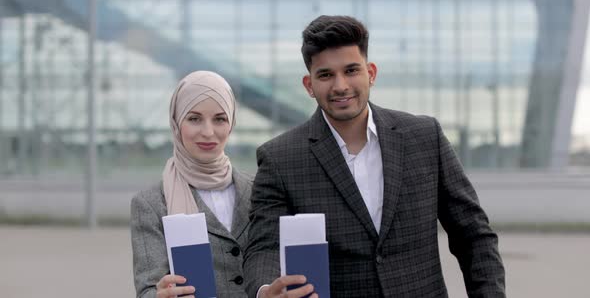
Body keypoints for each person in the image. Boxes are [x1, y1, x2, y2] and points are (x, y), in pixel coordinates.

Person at [243, 15, 505, 297]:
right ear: (309, 84)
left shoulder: (425, 137)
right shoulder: (279, 158)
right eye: (326, 75)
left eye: (351, 70)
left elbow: (473, 235)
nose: (340, 85)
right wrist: (265, 290)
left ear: (371, 73)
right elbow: (264, 247)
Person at [131, 71, 253, 298]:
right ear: (176, 123)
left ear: (231, 123)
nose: (208, 132)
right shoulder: (151, 204)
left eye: (220, 119)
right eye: (194, 118)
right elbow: (148, 289)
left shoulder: (258, 190)